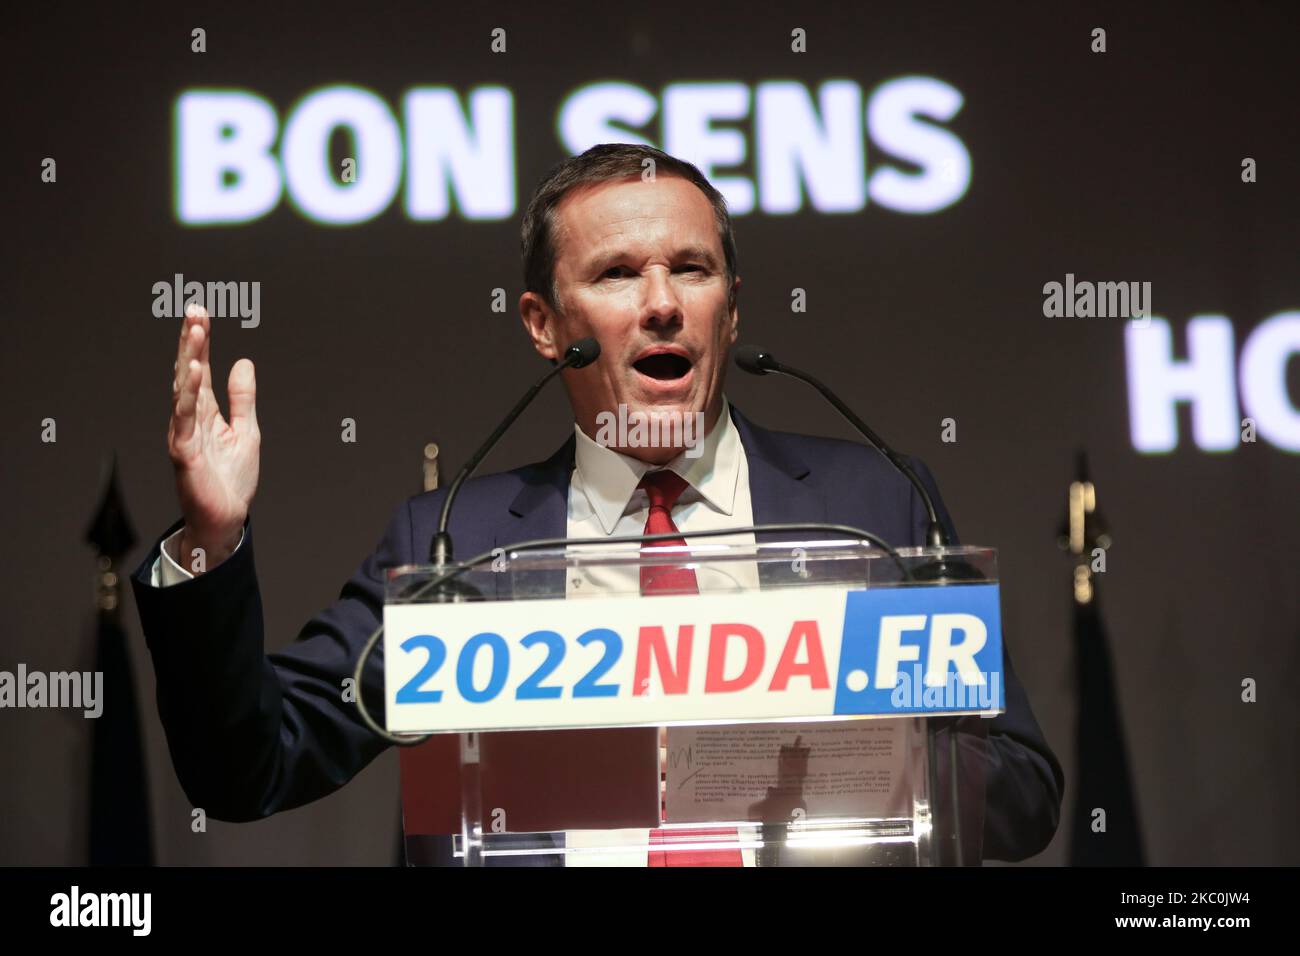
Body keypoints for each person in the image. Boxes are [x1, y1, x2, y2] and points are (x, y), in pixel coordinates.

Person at [132, 143, 1063, 864]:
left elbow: (1022, 791)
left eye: (692, 270)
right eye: (618, 274)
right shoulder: (460, 546)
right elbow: (249, 765)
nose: (661, 304)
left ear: (730, 311)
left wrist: (809, 765)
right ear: (545, 325)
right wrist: (209, 541)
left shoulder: (879, 506)